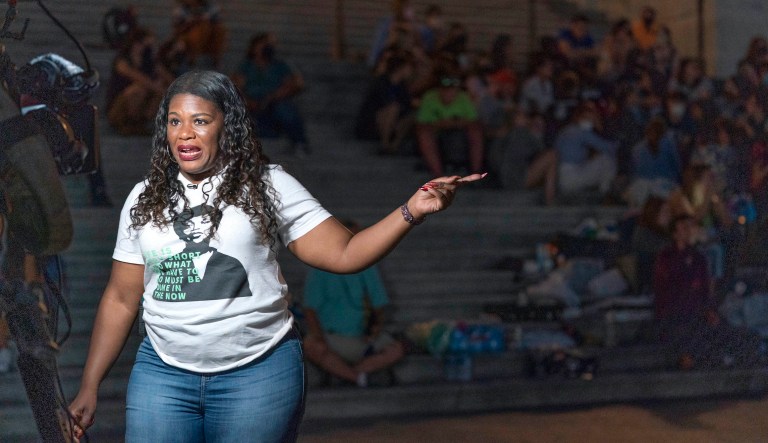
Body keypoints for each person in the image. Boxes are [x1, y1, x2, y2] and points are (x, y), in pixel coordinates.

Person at [67, 69, 485, 442]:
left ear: (225, 126)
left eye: (200, 121)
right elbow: (121, 298)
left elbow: (345, 253)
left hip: (258, 374)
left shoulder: (267, 184)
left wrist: (412, 210)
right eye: (175, 121)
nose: (185, 133)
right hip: (163, 374)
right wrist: (90, 383)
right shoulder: (145, 197)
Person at [301, 219, 404, 388]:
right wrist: (319, 338)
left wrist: (375, 328)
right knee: (311, 345)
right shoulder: (320, 268)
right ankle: (358, 377)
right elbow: (309, 309)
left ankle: (348, 373)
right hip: (332, 337)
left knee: (397, 349)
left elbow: (379, 304)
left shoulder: (368, 265)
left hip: (362, 338)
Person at [232, 32, 311, 157]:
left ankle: (299, 143)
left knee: (286, 110)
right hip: (252, 105)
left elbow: (296, 84)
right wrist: (248, 101)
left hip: (273, 104)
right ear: (255, 47)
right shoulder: (246, 66)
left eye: (271, 44)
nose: (268, 47)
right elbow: (236, 87)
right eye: (265, 44)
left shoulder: (280, 65)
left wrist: (273, 97)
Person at [104, 27, 174, 136]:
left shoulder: (149, 61)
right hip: (118, 107)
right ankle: (128, 122)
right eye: (146, 44)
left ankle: (143, 122)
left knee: (160, 87)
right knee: (140, 89)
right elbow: (139, 79)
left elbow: (167, 77)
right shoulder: (122, 61)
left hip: (142, 102)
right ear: (136, 43)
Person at [414, 71, 484, 177]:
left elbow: (473, 120)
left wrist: (456, 123)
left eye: (452, 89)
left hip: (460, 132)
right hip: (437, 132)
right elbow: (422, 123)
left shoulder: (463, 97)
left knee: (476, 131)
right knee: (424, 134)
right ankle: (438, 174)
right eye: (445, 89)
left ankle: (476, 172)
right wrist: (441, 124)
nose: (448, 93)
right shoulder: (429, 98)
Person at [554, 104, 618, 200]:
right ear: (579, 118)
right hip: (571, 178)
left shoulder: (564, 130)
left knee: (598, 158)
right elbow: (610, 148)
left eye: (591, 119)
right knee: (606, 159)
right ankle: (605, 195)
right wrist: (599, 127)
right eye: (587, 118)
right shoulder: (581, 132)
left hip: (561, 177)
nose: (589, 121)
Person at [169, 0, 227, 69]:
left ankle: (215, 58)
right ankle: (190, 57)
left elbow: (218, 17)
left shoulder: (210, 8)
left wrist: (206, 16)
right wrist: (189, 21)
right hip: (187, 39)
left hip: (207, 39)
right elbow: (177, 28)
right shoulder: (181, 10)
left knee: (215, 29)